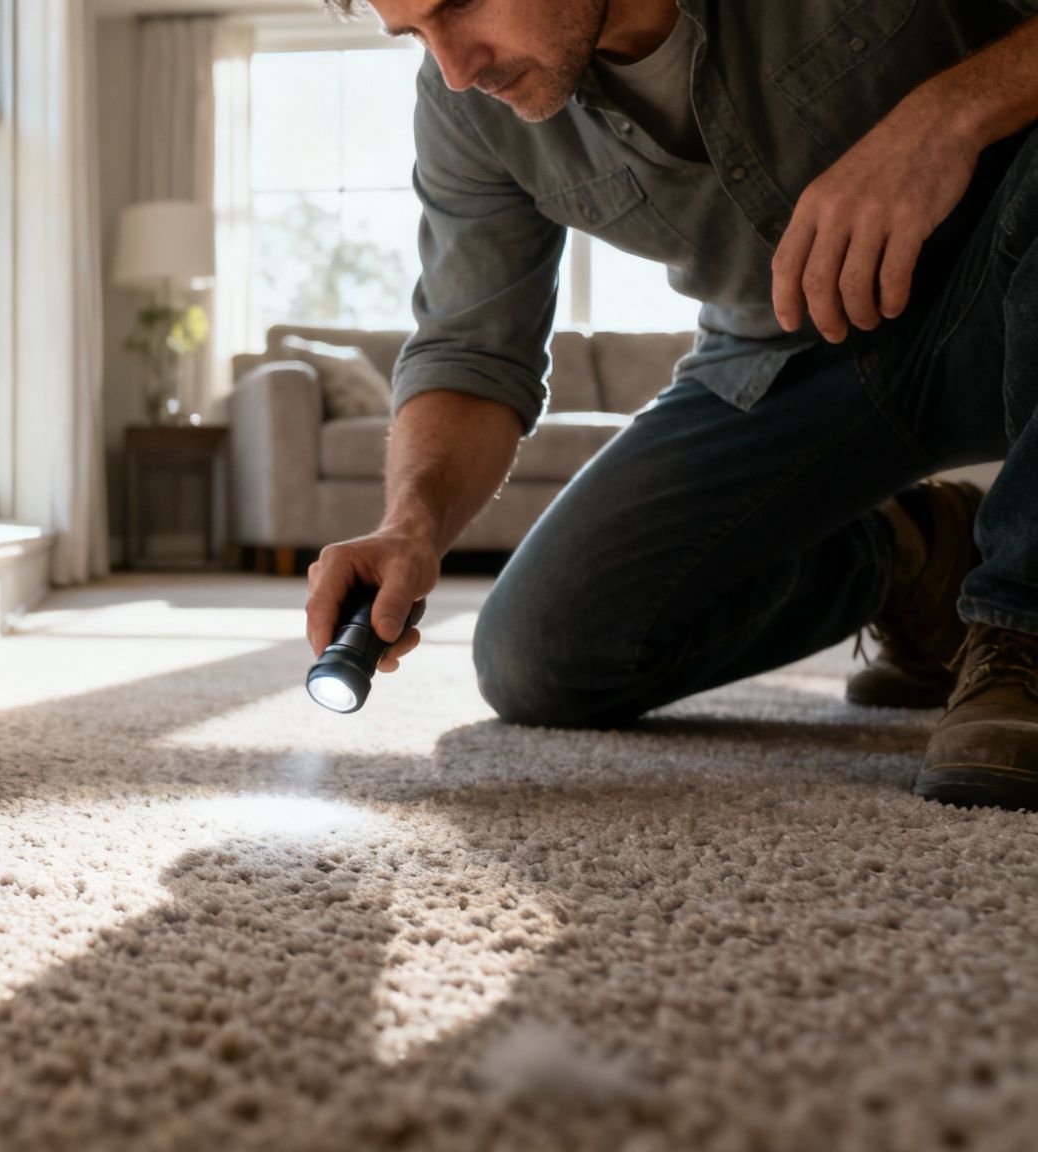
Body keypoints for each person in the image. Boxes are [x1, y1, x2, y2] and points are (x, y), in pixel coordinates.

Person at [304, 0, 1038, 808]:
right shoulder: (464, 108)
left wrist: (945, 117)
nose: (453, 65)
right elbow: (472, 353)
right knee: (541, 654)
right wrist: (410, 524)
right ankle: (913, 555)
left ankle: (1024, 626)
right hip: (777, 365)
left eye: (461, 4)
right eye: (413, 32)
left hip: (1008, 297)